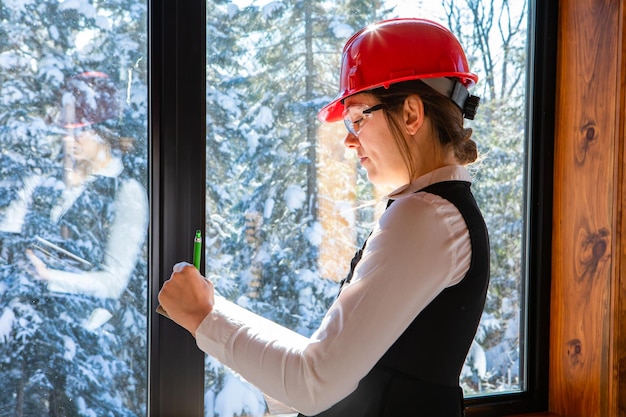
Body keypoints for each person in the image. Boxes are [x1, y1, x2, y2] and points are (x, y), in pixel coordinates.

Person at [158, 18, 489, 416]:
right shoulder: (434, 213)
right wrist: (211, 312)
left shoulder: (425, 217)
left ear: (411, 115)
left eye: (357, 118)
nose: (350, 140)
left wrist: (204, 318)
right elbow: (323, 367)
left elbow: (312, 384)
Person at [1, 71, 148, 329]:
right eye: (67, 130)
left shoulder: (125, 192)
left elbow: (113, 283)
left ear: (104, 131)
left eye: (80, 131)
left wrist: (49, 277)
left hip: (86, 330)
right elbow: (10, 232)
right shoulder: (44, 180)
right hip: (24, 319)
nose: (70, 139)